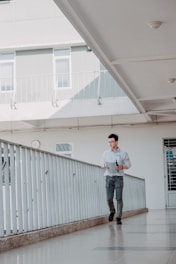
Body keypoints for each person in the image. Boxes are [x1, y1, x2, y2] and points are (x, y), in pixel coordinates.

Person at [102, 133, 131, 224]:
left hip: (119, 177)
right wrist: (105, 166)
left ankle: (118, 217)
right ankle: (112, 211)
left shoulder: (123, 153)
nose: (110, 143)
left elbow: (129, 165)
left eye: (112, 141)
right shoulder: (105, 153)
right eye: (108, 142)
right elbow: (102, 163)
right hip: (109, 177)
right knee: (109, 198)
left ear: (117, 142)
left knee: (119, 198)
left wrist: (121, 167)